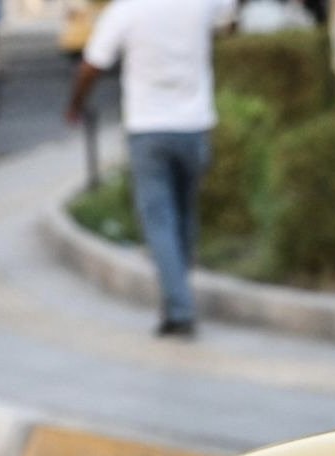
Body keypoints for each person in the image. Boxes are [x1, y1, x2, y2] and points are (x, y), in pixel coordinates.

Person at [65, 0, 236, 338]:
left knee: (159, 220)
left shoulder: (127, 10)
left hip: (149, 127)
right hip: (195, 124)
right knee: (185, 214)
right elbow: (229, 19)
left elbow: (92, 64)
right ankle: (177, 298)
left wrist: (76, 104)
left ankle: (180, 308)